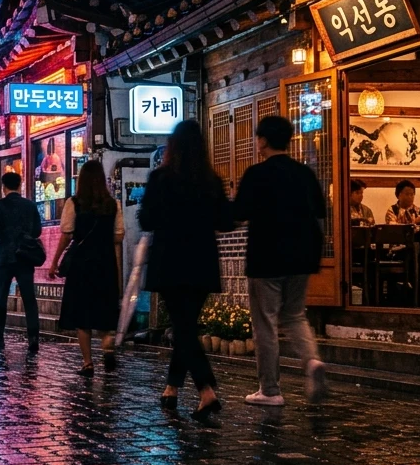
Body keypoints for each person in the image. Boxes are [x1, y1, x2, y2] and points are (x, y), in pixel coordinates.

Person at [138, 120, 231, 421]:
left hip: (171, 261)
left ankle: (207, 390)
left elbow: (147, 220)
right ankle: (172, 387)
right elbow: (225, 221)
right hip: (202, 262)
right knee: (186, 325)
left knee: (184, 328)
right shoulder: (210, 180)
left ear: (173, 146)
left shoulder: (161, 178)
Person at [233, 115, 328, 406]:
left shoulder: (256, 174)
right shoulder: (304, 173)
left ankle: (270, 390)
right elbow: (320, 214)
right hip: (302, 256)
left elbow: (237, 213)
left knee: (266, 323)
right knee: (295, 315)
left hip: (266, 258)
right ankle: (311, 361)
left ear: (262, 141)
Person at [49, 160, 124, 377]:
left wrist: (55, 262)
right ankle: (107, 342)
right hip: (105, 263)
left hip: (81, 264)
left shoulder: (74, 203)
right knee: (104, 306)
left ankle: (88, 362)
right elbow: (119, 235)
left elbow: (67, 233)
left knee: (82, 314)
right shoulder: (113, 204)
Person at [0, 171, 43, 351]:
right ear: (20, 185)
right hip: (25, 256)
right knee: (29, 298)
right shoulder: (30, 205)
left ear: (4, 187)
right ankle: (33, 338)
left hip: (4, 256)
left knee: (1, 298)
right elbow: (37, 231)